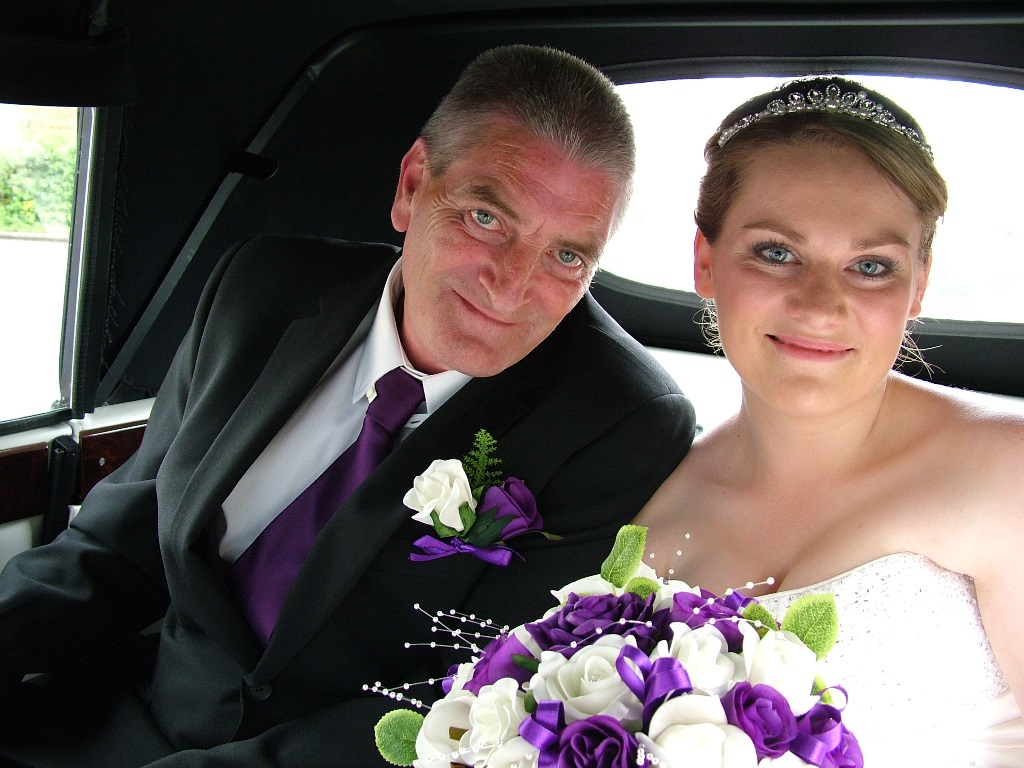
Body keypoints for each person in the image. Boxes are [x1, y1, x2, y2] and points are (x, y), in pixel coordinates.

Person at [0, 45, 696, 767]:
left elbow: (477, 697)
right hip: (121, 723)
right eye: (487, 218)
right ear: (413, 183)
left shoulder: (620, 421)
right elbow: (121, 544)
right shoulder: (261, 287)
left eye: (566, 257)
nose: (511, 285)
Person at [633, 76, 1024, 766]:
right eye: (777, 253)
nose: (820, 305)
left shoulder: (1005, 472)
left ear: (920, 284)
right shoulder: (652, 517)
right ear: (705, 261)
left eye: (870, 266)